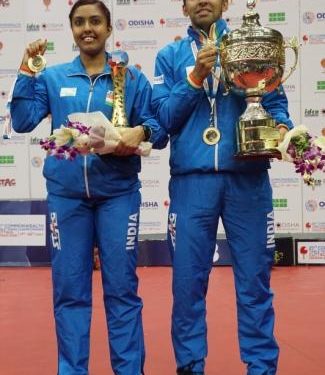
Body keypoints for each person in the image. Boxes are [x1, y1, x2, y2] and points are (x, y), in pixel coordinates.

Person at [10, 0, 166, 374]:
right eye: (79, 22)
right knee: (69, 292)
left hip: (118, 196)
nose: (87, 28)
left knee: (122, 291)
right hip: (67, 199)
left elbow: (157, 130)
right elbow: (22, 121)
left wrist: (140, 132)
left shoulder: (130, 78)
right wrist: (25, 73)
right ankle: (72, 370)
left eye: (95, 21)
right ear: (72, 29)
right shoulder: (54, 77)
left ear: (109, 28)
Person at [151, 1, 293, 374]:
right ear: (183, 5)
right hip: (191, 183)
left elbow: (276, 105)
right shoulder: (170, 57)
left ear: (226, 3)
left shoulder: (251, 45)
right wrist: (195, 78)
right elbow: (162, 121)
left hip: (247, 179)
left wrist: (279, 131)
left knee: (255, 283)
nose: (202, 1)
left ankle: (262, 368)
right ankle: (190, 367)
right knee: (187, 286)